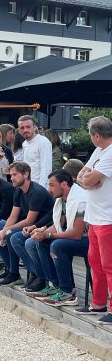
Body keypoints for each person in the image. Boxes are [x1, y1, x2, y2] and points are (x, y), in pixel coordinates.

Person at [23, 170, 88, 306]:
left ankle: (68, 292)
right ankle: (54, 285)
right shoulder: (62, 200)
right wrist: (42, 232)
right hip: (74, 238)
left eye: (52, 185)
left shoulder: (80, 199)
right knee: (38, 242)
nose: (49, 189)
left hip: (89, 240)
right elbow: (58, 225)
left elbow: (76, 233)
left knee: (57, 245)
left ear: (64, 184)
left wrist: (49, 234)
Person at [76, 116, 112, 322]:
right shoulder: (99, 151)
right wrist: (88, 180)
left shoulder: (110, 153)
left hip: (108, 217)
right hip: (94, 216)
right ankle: (98, 303)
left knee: (109, 265)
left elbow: (85, 177)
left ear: (96, 136)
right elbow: (81, 174)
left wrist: (87, 179)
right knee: (95, 262)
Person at [0, 162, 54, 287]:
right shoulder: (18, 191)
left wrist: (7, 230)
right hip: (32, 227)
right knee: (4, 235)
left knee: (14, 238)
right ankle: (13, 272)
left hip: (46, 226)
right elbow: (13, 216)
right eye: (11, 175)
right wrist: (3, 231)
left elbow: (29, 220)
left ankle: (38, 275)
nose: (11, 178)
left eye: (15, 175)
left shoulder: (36, 191)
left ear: (26, 174)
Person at [19, 115, 52, 189]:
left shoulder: (43, 142)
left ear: (34, 127)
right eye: (22, 128)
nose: (25, 130)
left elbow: (46, 168)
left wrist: (42, 189)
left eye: (28, 127)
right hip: (27, 186)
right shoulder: (24, 144)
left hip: (39, 186)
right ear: (19, 131)